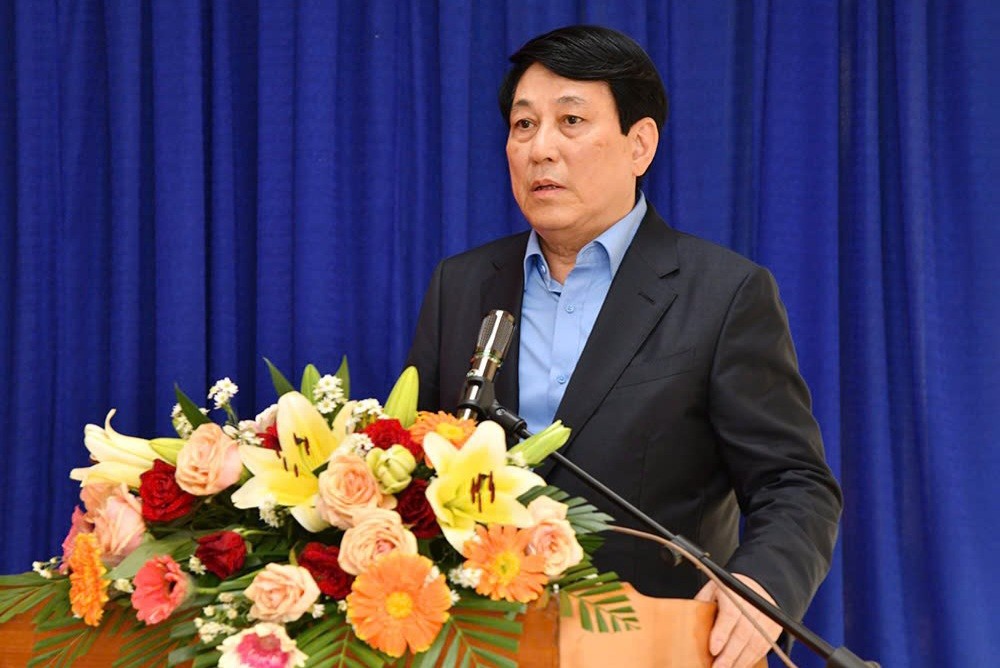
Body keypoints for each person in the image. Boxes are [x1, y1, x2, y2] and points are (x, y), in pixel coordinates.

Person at [406, 25, 842, 668]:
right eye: (524, 125)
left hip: (656, 642)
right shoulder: (462, 284)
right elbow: (417, 460)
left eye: (571, 121)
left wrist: (761, 586)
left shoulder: (723, 292)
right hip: (482, 641)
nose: (540, 149)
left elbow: (794, 482)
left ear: (640, 145)